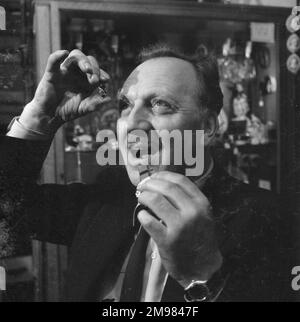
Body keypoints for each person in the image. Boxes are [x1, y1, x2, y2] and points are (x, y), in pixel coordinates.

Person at [0, 44, 291, 302]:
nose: (133, 122)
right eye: (125, 106)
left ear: (208, 128)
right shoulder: (107, 196)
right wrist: (41, 112)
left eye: (160, 104)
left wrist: (205, 278)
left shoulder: (269, 219)